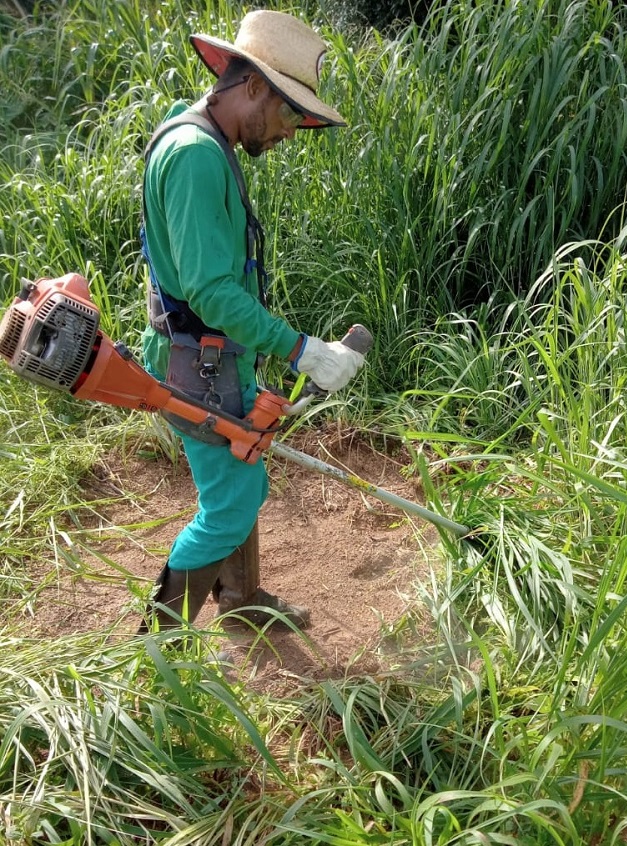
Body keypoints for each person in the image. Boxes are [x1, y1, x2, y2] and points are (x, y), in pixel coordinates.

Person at [138, 10, 364, 632]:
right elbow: (209, 290)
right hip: (200, 361)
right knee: (228, 508)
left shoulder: (201, 137)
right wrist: (301, 349)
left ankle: (241, 601)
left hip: (213, 355)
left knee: (242, 476)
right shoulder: (195, 156)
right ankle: (156, 653)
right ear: (254, 86)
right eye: (289, 110)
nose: (291, 129)